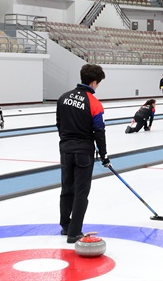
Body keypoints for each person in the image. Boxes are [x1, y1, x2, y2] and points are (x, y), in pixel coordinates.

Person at [56, 64, 109, 244]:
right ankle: (75, 232)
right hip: (84, 153)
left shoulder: (63, 98)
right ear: (94, 82)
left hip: (65, 150)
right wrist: (104, 156)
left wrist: (66, 143)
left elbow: (59, 124)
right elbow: (99, 131)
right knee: (81, 192)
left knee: (66, 188)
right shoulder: (94, 103)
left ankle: (65, 225)